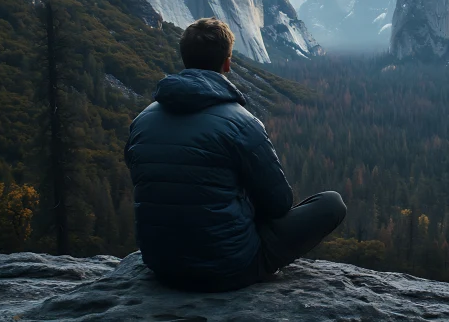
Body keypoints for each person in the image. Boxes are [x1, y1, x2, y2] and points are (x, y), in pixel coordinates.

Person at [124, 17, 346, 292]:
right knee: (332, 203)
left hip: (161, 264)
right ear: (227, 63)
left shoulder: (142, 120)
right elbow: (279, 204)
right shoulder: (242, 123)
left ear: (184, 59)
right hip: (229, 269)